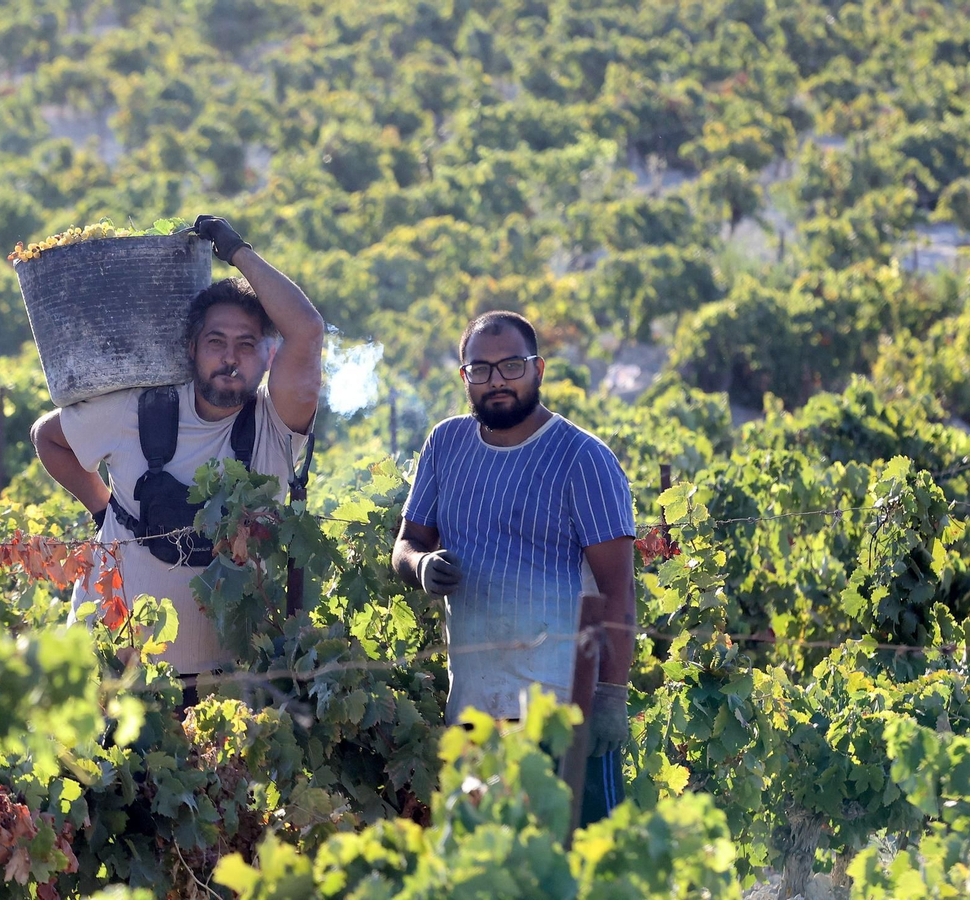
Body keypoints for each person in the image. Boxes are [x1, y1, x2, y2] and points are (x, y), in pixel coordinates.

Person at [31, 215, 322, 704]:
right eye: (216, 342)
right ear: (190, 349)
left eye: (246, 345)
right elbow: (48, 438)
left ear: (267, 358)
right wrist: (106, 512)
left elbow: (307, 329)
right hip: (111, 675)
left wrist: (236, 250)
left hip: (222, 692)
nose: (230, 358)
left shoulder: (277, 425)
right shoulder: (139, 409)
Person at [390, 310, 636, 826]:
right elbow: (407, 544)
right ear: (464, 378)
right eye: (480, 369)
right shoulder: (445, 445)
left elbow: (617, 588)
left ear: (539, 370)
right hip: (473, 714)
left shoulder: (583, 459)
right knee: (484, 870)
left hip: (560, 718)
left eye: (511, 366)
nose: (496, 380)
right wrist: (422, 565)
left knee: (569, 870)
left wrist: (611, 697)